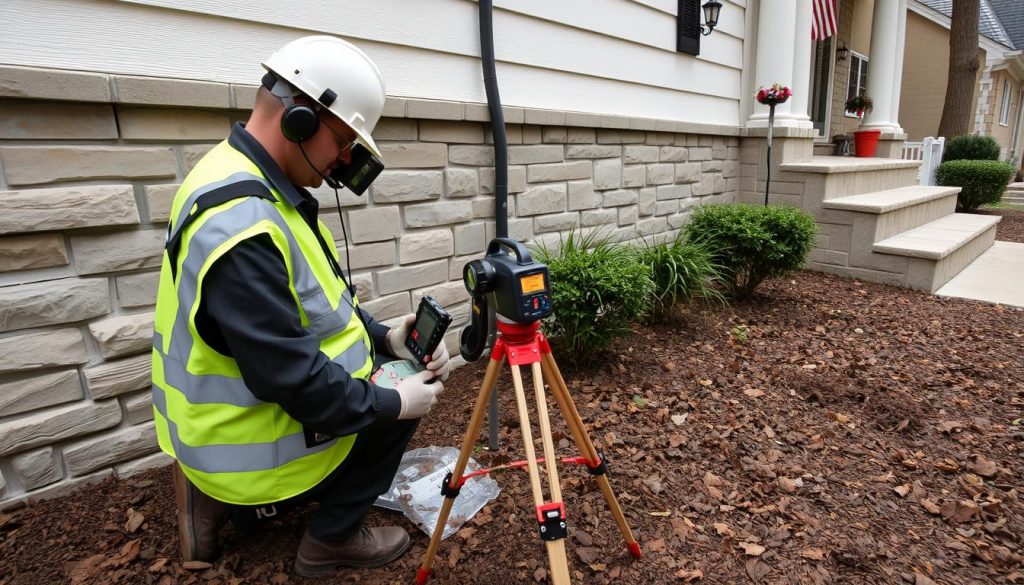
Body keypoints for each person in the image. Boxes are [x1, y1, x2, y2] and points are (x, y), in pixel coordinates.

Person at [150, 35, 450, 578]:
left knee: (396, 375)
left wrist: (386, 338)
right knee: (405, 401)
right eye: (345, 142)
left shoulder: (236, 178)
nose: (344, 161)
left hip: (214, 430)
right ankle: (327, 541)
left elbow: (312, 307)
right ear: (302, 123)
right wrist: (392, 403)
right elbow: (296, 382)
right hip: (249, 448)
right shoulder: (244, 226)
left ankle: (216, 497)